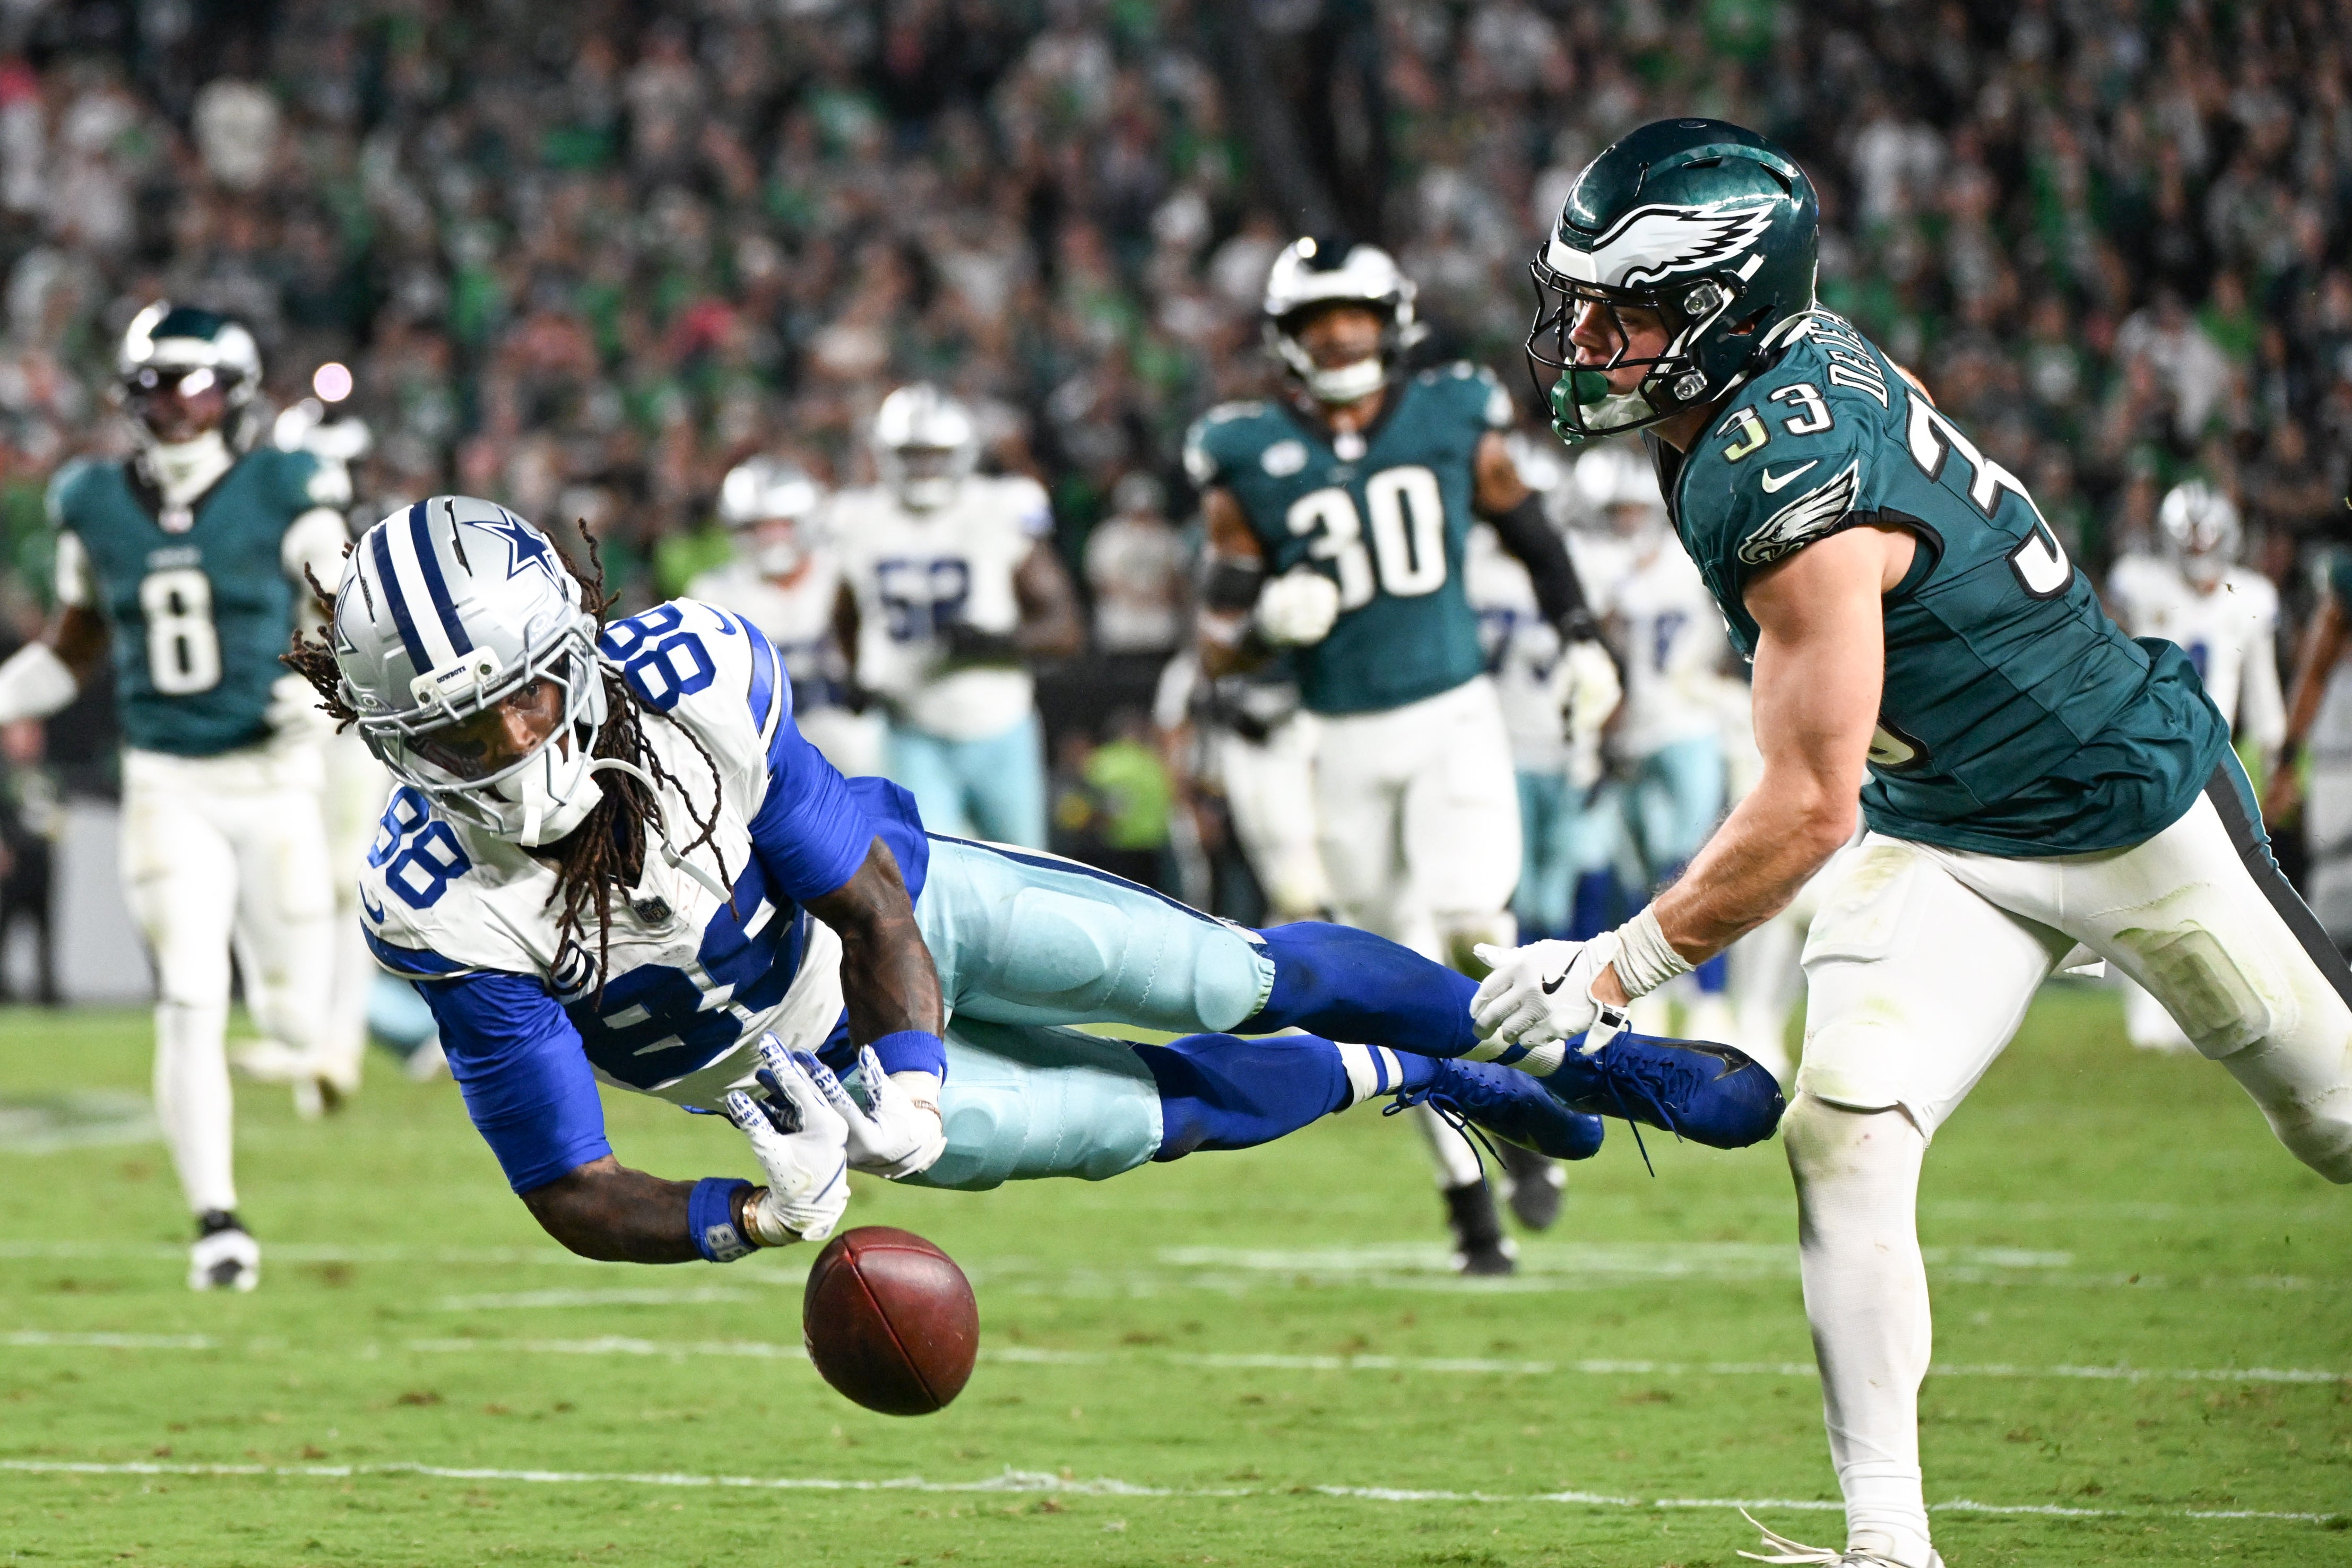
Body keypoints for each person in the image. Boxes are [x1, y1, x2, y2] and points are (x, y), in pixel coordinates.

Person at [1476, 118, 2352, 1568]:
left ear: (1720, 314)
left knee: (2338, 1124)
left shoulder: (1784, 473)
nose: (1583, 338)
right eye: (1578, 299)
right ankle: (1890, 1545)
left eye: (1624, 312)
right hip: (1948, 825)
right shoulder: (1776, 383)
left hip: (2119, 803)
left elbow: (1810, 798)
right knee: (1848, 1129)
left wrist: (1616, 968)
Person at [288, 499, 1782, 1267]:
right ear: (390, 734)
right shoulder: (433, 895)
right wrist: (749, 1214)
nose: (507, 744)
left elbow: (864, 903)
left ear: (573, 648)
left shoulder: (692, 680)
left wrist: (919, 1072)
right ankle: (1404, 1071)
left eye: (527, 698)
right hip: (803, 1086)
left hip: (907, 921)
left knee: (1221, 976)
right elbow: (563, 1179)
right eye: (454, 728)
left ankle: (1578, 1045)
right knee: (1162, 1117)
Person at [1186, 236, 1623, 1274]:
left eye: (1354, 314)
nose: (1339, 335)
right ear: (1286, 338)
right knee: (1387, 984)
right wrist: (1264, 627)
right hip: (1335, 737)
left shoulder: (1450, 412)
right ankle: (1468, 1200)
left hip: (1449, 714)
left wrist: (1579, 633)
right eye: (1316, 320)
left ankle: (1518, 1113)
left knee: (1476, 928)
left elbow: (1526, 527)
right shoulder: (1241, 450)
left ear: (1393, 319)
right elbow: (1215, 632)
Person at [0, 304, 351, 1290]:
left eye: (193, 384)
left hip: (274, 773)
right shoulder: (93, 502)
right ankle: (218, 1224)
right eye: (155, 384)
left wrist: (319, 678)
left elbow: (349, 601)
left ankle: (315, 1049)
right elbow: (68, 657)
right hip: (166, 779)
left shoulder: (287, 486)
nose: (172, 405)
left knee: (287, 1016)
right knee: (189, 998)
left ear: (235, 396)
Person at [831, 385, 1083, 848]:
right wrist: (856, 674)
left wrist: (995, 641)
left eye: (936, 454)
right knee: (934, 876)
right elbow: (843, 616)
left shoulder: (1000, 506)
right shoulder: (856, 517)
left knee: (1024, 874)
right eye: (911, 454)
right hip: (910, 726)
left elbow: (1065, 627)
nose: (924, 467)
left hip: (999, 722)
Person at [2105, 481, 2284, 1050]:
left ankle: (2216, 1006)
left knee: (2217, 886)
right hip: (2146, 750)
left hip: (2215, 756)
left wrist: (2277, 753)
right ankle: (2149, 1010)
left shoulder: (2249, 595)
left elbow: (2262, 690)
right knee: (2149, 881)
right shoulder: (2140, 581)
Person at [689, 455, 880, 779]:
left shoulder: (843, 571)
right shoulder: (715, 592)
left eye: (781, 525)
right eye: (758, 527)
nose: (771, 537)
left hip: (849, 729)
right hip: (764, 744)